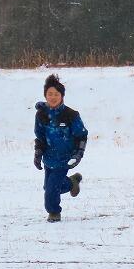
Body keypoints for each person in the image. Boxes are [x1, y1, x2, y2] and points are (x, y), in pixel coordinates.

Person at [33, 74, 88, 223]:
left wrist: (78, 154)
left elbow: (82, 135)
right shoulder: (41, 114)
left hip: (65, 158)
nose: (53, 97)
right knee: (49, 187)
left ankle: (54, 212)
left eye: (56, 94)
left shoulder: (71, 115)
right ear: (45, 95)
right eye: (50, 94)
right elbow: (40, 137)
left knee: (51, 190)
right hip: (49, 158)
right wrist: (38, 153)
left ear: (62, 96)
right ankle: (72, 182)